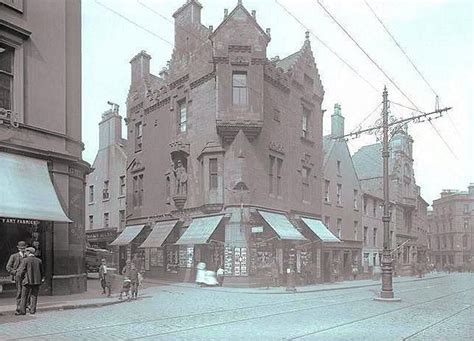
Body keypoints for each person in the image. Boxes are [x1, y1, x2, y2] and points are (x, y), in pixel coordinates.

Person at [16, 247, 43, 315]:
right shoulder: (39, 260)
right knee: (34, 296)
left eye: (26, 252)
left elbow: (20, 271)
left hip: (27, 281)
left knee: (24, 296)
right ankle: (32, 310)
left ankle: (22, 311)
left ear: (29, 252)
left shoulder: (25, 260)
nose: (25, 253)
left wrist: (21, 278)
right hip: (36, 281)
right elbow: (42, 272)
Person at [6, 241, 27, 314]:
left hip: (27, 276)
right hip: (18, 277)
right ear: (18, 248)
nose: (23, 249)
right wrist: (15, 273)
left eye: (24, 248)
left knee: (28, 291)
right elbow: (8, 267)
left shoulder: (27, 256)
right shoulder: (14, 256)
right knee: (19, 291)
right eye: (21, 248)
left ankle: (25, 306)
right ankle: (18, 306)